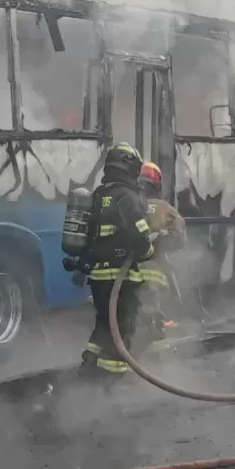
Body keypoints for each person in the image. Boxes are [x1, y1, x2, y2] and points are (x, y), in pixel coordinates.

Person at [79, 142, 156, 377]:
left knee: (104, 323)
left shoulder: (99, 194)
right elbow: (139, 238)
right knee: (122, 329)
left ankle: (88, 365)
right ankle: (111, 379)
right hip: (119, 277)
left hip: (97, 275)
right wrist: (150, 250)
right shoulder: (127, 197)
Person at [133, 161, 186, 356]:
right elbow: (180, 238)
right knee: (152, 308)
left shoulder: (128, 203)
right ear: (157, 185)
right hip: (153, 269)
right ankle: (155, 352)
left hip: (125, 268)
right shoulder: (164, 209)